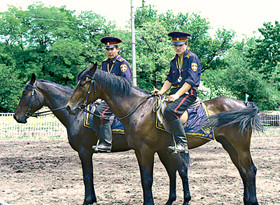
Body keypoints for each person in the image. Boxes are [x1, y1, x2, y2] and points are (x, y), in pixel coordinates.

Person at [152, 31, 201, 154]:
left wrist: (177, 95)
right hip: (176, 91)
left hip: (188, 93)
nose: (178, 48)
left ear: (186, 43)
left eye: (180, 45)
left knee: (170, 111)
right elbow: (170, 79)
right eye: (175, 45)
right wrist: (161, 91)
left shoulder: (192, 58)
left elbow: (190, 80)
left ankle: (182, 143)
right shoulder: (174, 60)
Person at [93, 36, 132, 153]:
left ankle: (106, 143)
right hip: (107, 98)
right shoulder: (104, 64)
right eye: (107, 49)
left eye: (112, 49)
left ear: (117, 49)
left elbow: (126, 84)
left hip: (120, 98)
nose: (110, 52)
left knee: (100, 112)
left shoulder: (122, 64)